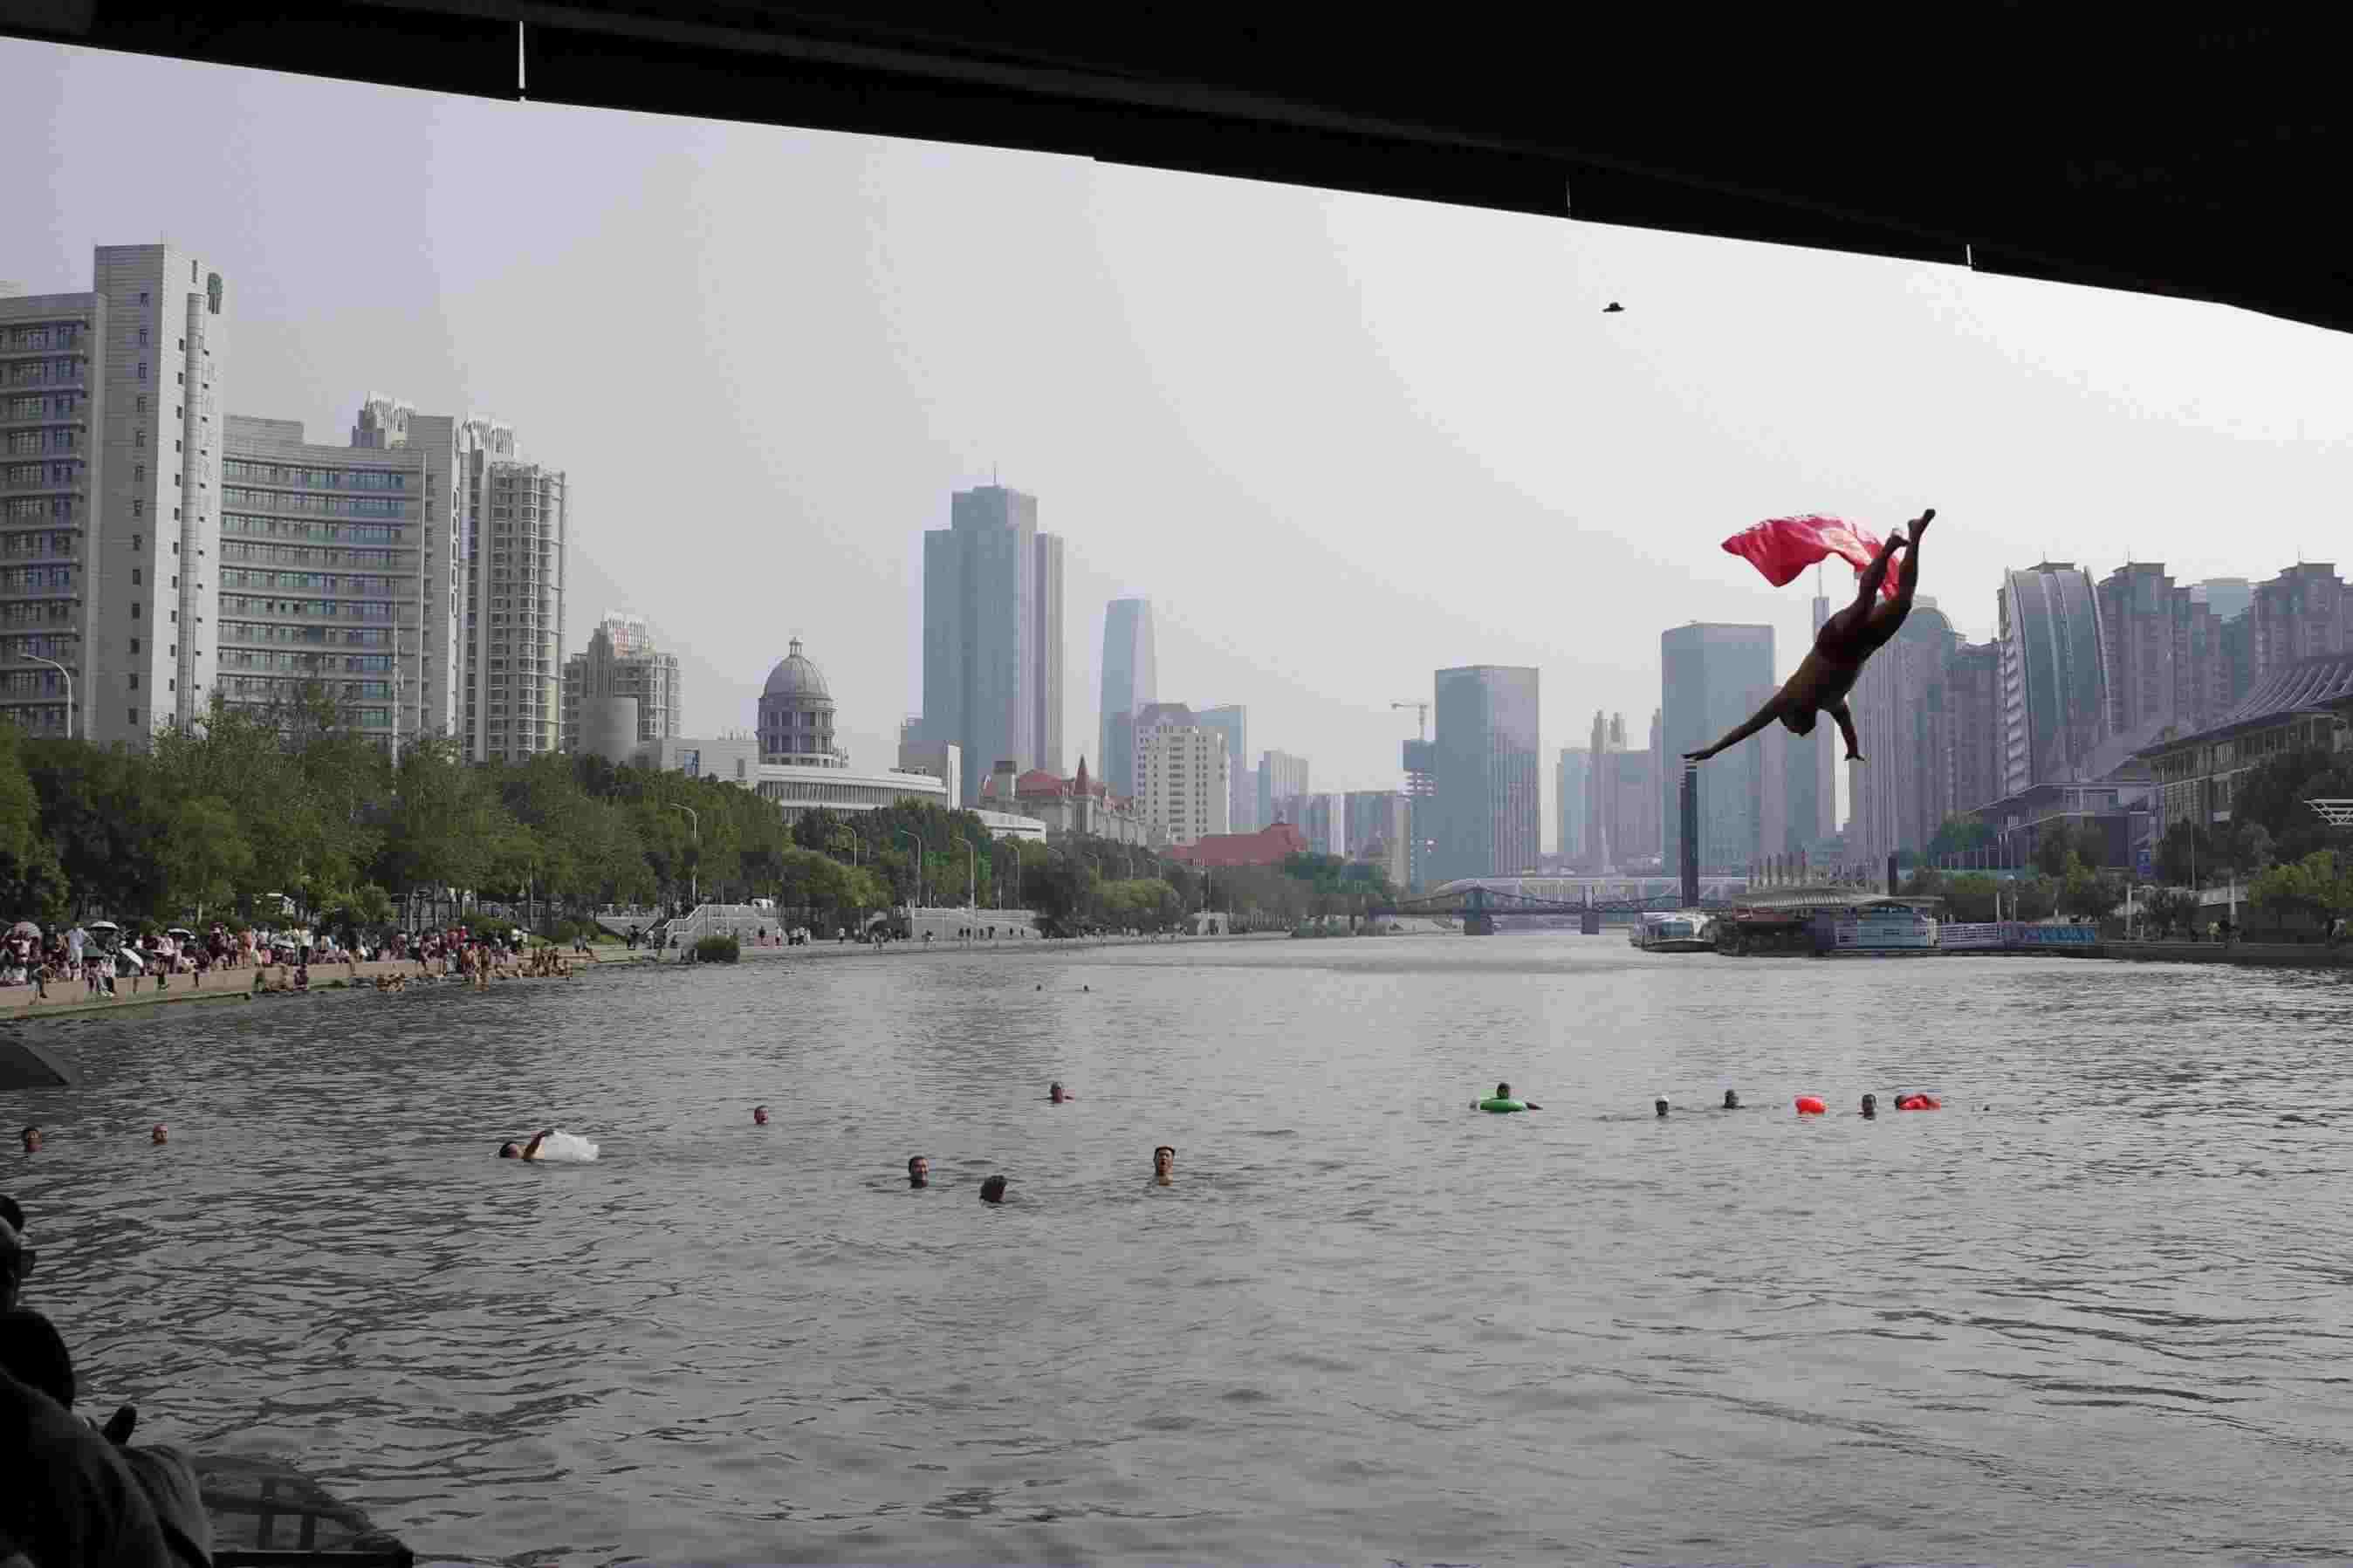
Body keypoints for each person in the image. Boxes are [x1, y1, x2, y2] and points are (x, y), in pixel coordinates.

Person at [1686, 508, 1935, 763]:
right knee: (1903, 601)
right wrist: (1852, 749)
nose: (1800, 733)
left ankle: (1890, 546)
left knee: (1864, 603)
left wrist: (1714, 749)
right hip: (1864, 647)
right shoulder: (1834, 705)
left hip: (1835, 641)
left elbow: (1749, 727)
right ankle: (1915, 534)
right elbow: (1847, 729)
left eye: (1794, 729)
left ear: (1789, 715)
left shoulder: (1788, 696)